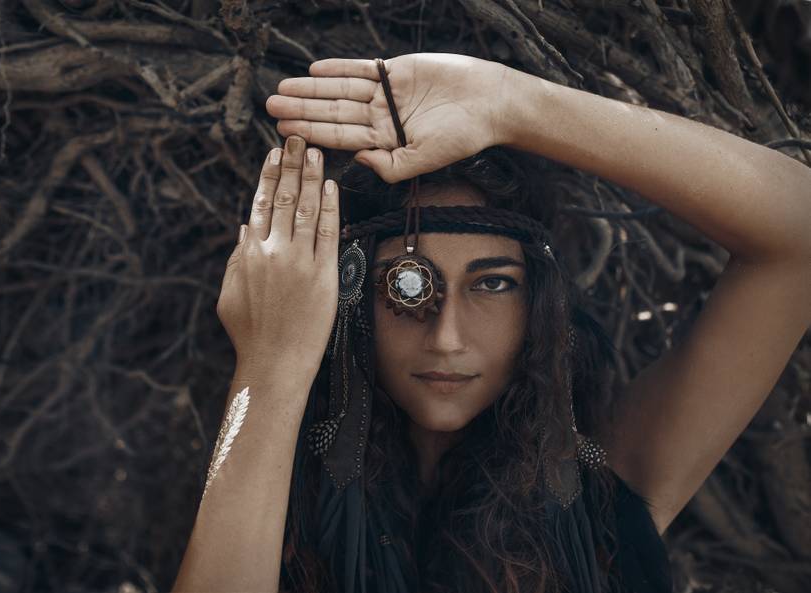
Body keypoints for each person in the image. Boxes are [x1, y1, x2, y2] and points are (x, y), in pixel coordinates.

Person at [172, 53, 811, 593]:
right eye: (406, 284)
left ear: (540, 305)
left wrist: (510, 103)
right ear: (347, 298)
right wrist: (272, 364)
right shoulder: (272, 498)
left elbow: (800, 229)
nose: (446, 337)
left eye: (493, 283)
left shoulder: (604, 489)